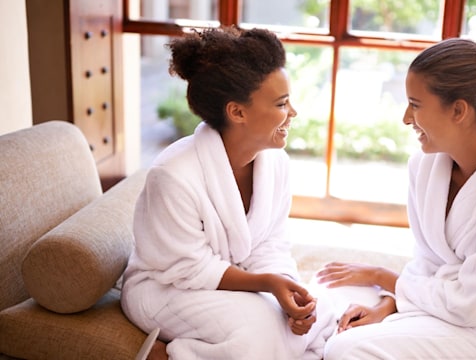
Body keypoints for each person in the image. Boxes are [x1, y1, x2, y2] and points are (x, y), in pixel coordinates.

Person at [316, 38, 476, 359]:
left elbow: (471, 306)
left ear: (458, 110)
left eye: (415, 104)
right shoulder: (425, 165)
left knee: (346, 349)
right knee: (330, 302)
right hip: (445, 304)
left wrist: (384, 278)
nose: (406, 118)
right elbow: (428, 262)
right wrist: (388, 303)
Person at [121, 26, 335, 360]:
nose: (292, 112)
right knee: (260, 333)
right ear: (237, 112)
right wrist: (267, 285)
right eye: (281, 103)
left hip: (237, 280)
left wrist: (285, 287)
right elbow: (188, 268)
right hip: (166, 288)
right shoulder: (174, 175)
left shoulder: (276, 163)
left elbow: (271, 243)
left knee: (320, 314)